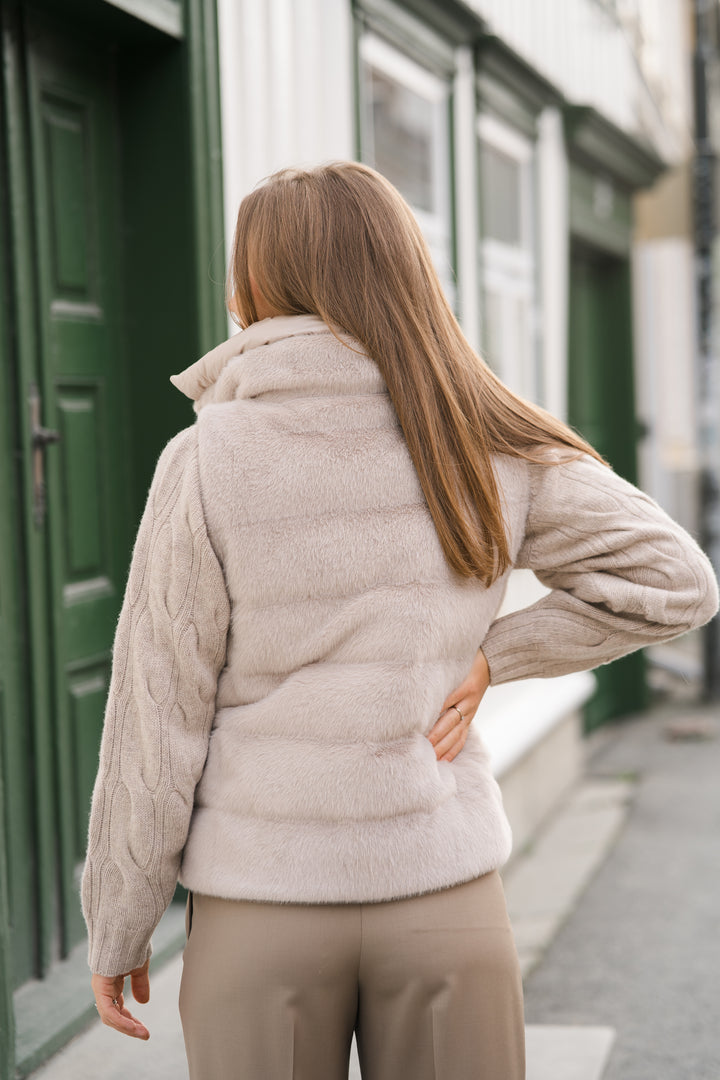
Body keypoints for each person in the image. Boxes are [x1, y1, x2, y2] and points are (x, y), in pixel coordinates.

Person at [82, 161, 719, 1080]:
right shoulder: (485, 435)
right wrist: (499, 655)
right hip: (444, 899)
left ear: (257, 284)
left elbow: (157, 714)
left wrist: (118, 920)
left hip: (263, 905)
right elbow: (679, 578)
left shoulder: (205, 459)